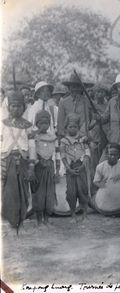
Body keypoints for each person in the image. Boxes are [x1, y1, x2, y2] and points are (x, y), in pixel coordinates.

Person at [1, 91, 35, 231]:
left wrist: (32, 164)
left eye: (19, 106)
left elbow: (32, 145)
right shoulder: (2, 124)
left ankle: (21, 216)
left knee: (23, 190)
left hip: (23, 161)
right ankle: (10, 218)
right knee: (8, 190)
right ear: (8, 107)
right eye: (13, 106)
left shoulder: (28, 125)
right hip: (6, 160)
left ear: (24, 107)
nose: (16, 109)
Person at [29, 110, 60, 226]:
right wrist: (37, 162)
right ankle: (39, 220)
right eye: (41, 123)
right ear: (37, 124)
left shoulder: (53, 137)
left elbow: (57, 154)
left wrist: (57, 171)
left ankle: (47, 219)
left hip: (49, 168)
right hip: (38, 168)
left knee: (49, 193)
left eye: (46, 123)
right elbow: (32, 152)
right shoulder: (34, 137)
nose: (44, 126)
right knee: (39, 193)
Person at [60, 113, 91, 223]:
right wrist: (68, 168)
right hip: (70, 169)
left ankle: (85, 214)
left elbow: (87, 153)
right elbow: (63, 156)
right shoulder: (63, 141)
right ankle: (73, 215)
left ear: (78, 128)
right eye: (70, 127)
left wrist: (83, 165)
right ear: (66, 128)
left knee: (83, 190)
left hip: (81, 167)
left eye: (75, 127)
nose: (72, 129)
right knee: (71, 192)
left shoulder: (83, 140)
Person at [57, 72, 94, 138]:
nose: (76, 89)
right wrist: (62, 137)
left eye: (78, 87)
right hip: (68, 137)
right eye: (73, 87)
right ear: (69, 88)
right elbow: (61, 123)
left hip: (84, 137)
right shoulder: (63, 102)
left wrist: (88, 129)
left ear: (82, 88)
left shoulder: (87, 101)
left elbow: (93, 119)